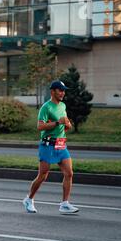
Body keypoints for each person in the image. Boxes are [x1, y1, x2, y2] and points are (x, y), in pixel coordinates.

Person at [22, 80, 79, 214]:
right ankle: (29, 199)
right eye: (60, 90)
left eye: (64, 90)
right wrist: (57, 122)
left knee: (69, 173)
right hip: (47, 144)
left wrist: (67, 125)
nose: (63, 93)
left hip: (61, 144)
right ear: (52, 91)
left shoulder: (63, 106)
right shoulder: (46, 107)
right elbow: (40, 126)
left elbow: (64, 123)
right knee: (43, 175)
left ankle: (64, 204)